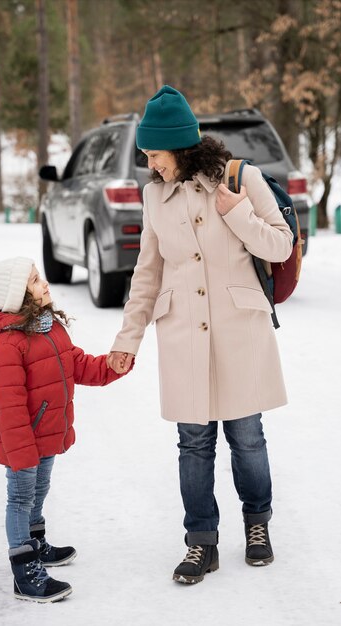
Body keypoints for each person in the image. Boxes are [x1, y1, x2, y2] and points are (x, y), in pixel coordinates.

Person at [107, 85, 293, 585]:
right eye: (146, 155)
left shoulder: (241, 179)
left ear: (181, 146)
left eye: (155, 154)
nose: (151, 164)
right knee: (193, 441)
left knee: (246, 437)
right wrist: (128, 340)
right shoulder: (153, 195)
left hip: (238, 330)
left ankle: (258, 525)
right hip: (183, 333)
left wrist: (236, 213)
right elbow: (147, 273)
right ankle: (200, 543)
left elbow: (279, 246)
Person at [0, 257, 131, 602]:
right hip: (24, 444)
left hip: (45, 437)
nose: (45, 284)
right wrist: (22, 455)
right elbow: (8, 409)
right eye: (35, 281)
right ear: (17, 297)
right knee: (20, 498)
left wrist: (111, 366)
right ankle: (25, 571)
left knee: (39, 491)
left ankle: (36, 543)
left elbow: (77, 365)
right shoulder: (7, 347)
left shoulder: (49, 328)